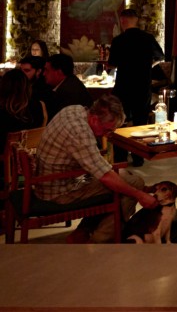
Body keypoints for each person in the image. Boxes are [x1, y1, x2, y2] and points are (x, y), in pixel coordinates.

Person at [35, 94, 156, 243]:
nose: (106, 135)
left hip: (50, 181)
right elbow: (105, 176)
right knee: (133, 184)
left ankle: (83, 232)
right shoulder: (80, 132)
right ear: (94, 119)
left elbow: (98, 167)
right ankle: (101, 239)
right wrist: (140, 195)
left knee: (124, 177)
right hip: (59, 190)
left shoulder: (75, 110)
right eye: (106, 130)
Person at [107, 8, 165, 128]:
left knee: (121, 121)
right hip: (142, 86)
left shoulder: (118, 40)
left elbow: (112, 63)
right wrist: (149, 65)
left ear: (122, 21)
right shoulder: (148, 38)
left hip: (123, 86)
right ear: (136, 20)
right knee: (141, 122)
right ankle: (139, 146)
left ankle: (121, 146)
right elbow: (160, 56)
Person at [0, 68, 46, 151]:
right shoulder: (39, 106)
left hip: (4, 159)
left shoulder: (3, 109)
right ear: (27, 86)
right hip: (29, 158)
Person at [42, 53, 92, 119]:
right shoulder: (70, 81)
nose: (43, 74)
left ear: (59, 72)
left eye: (47, 70)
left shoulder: (68, 92)